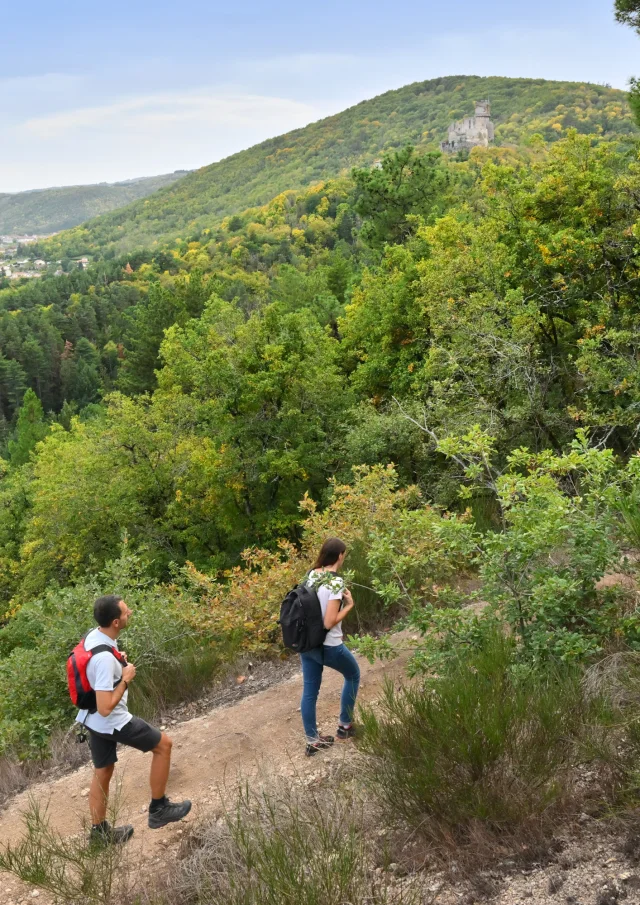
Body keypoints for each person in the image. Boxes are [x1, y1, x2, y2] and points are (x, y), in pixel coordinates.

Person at [77, 594, 192, 845]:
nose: (130, 614)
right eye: (127, 612)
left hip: (91, 720)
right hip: (112, 721)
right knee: (164, 745)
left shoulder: (95, 637)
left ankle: (99, 834)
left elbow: (96, 672)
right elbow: (106, 707)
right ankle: (159, 809)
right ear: (116, 622)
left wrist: (119, 661)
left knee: (102, 771)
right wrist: (126, 677)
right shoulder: (104, 659)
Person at [299, 537, 361, 756]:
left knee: (309, 691)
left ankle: (313, 741)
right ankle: (344, 727)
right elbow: (329, 621)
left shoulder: (311, 575)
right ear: (340, 556)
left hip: (307, 645)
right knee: (353, 675)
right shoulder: (335, 582)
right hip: (329, 646)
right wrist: (350, 605)